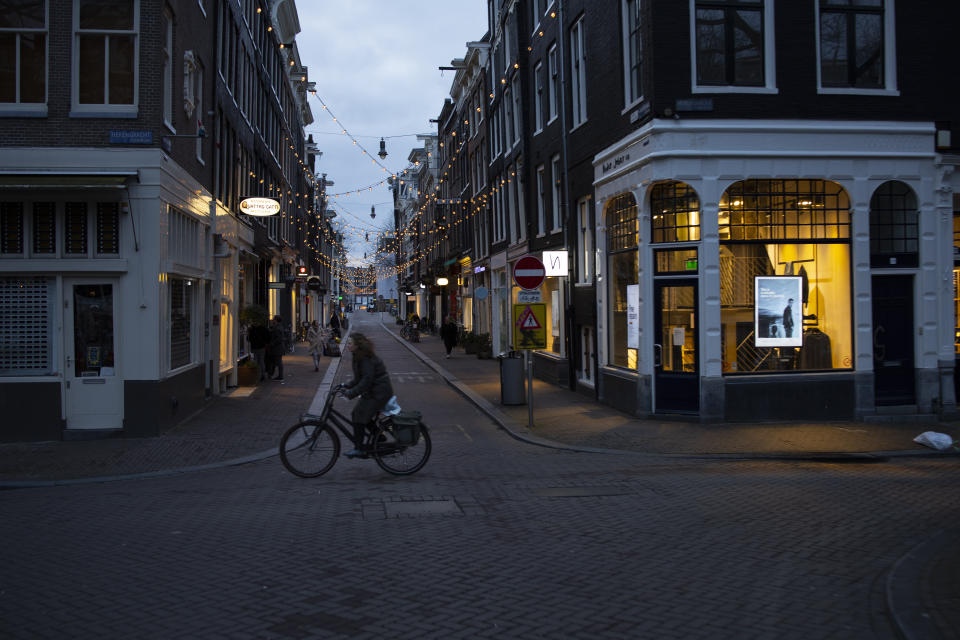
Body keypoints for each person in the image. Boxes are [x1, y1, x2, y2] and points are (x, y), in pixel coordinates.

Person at [340, 333, 394, 457]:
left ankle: (359, 448)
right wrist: (345, 385)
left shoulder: (364, 358)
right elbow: (359, 379)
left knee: (359, 413)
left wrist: (351, 393)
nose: (347, 345)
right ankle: (378, 437)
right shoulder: (358, 355)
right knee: (358, 414)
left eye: (350, 343)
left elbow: (366, 380)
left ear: (357, 345)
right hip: (373, 391)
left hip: (379, 392)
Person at [267, 315, 286, 381]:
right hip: (278, 348)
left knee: (277, 362)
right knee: (276, 361)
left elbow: (279, 338)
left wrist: (272, 343)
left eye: (273, 319)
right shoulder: (279, 327)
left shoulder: (277, 328)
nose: (272, 320)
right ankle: (273, 374)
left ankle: (279, 376)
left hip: (277, 348)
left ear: (276, 320)